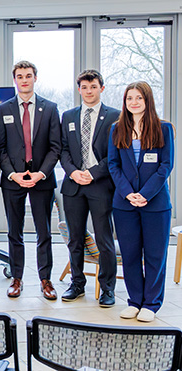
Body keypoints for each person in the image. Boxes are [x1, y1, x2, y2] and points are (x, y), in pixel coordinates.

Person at [108, 81, 174, 322]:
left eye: (139, 98)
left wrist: (145, 194)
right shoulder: (117, 129)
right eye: (129, 99)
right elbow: (113, 165)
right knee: (130, 254)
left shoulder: (164, 128)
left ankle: (151, 304)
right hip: (124, 204)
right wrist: (128, 193)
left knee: (155, 255)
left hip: (155, 204)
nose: (133, 102)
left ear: (148, 101)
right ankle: (135, 301)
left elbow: (165, 166)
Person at [0, 61, 61, 300]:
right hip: (13, 179)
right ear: (15, 80)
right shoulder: (3, 109)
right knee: (15, 232)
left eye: (28, 75)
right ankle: (17, 278)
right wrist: (12, 174)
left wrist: (40, 173)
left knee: (44, 232)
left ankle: (46, 280)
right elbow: (0, 149)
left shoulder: (51, 108)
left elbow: (56, 147)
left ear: (35, 78)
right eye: (20, 76)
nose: (24, 80)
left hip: (41, 179)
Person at [60, 70, 120, 307]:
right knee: (75, 239)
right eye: (84, 87)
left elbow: (115, 154)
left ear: (101, 88)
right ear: (79, 90)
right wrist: (73, 172)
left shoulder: (115, 116)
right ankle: (77, 284)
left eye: (93, 87)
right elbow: (63, 150)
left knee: (104, 239)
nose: (88, 91)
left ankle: (107, 289)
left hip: (100, 185)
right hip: (73, 185)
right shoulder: (68, 116)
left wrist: (92, 173)